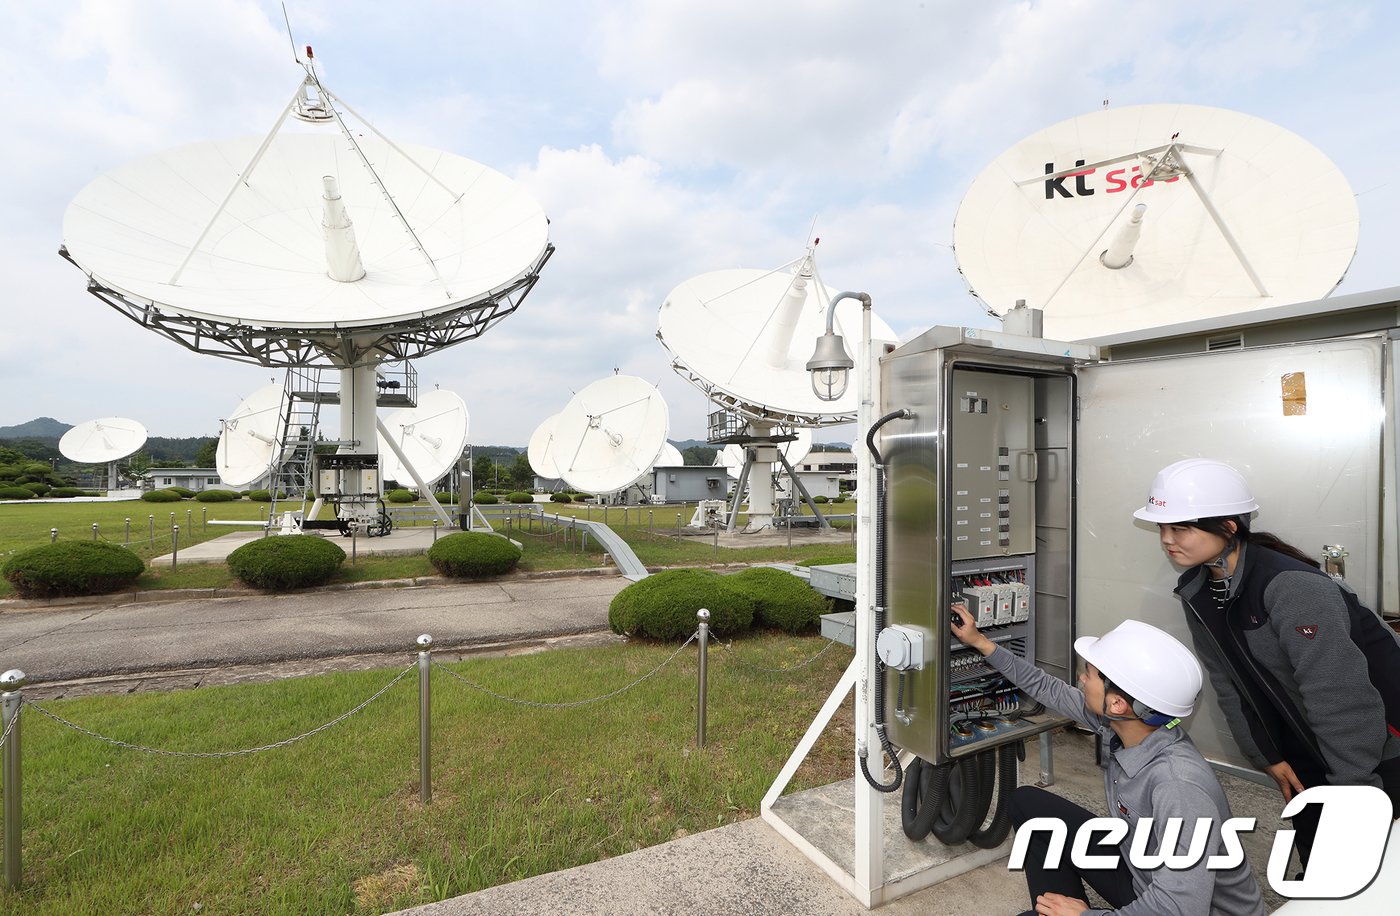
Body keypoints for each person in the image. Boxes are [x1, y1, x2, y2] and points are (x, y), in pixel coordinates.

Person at [1135, 458, 1400, 868]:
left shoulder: (1291, 587)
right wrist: (1267, 755)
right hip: (1304, 746)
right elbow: (1228, 684)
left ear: (1228, 526)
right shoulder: (1200, 590)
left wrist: (1353, 790)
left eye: (1181, 527)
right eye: (1162, 528)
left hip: (1373, 756)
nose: (1167, 540)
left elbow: (1339, 696)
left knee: (1370, 872)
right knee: (1320, 861)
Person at [951, 608, 1266, 916]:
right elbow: (1048, 688)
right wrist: (981, 642)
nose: (1081, 678)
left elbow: (1181, 908)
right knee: (1027, 804)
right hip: (1140, 872)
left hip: (1180, 906)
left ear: (1117, 703)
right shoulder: (1124, 724)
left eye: (1089, 674)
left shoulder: (1179, 787)